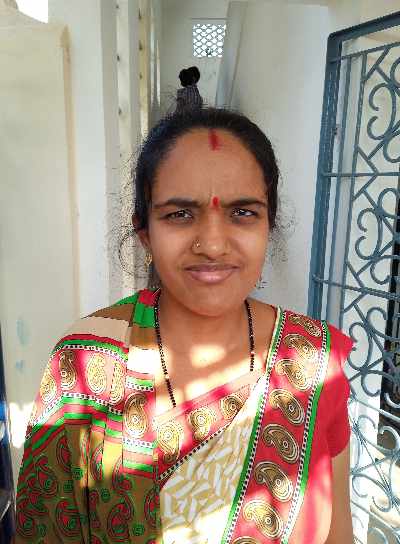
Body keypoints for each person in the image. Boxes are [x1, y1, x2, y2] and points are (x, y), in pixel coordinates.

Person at [14, 108, 354, 543]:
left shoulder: (312, 361)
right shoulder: (84, 364)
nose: (212, 244)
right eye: (179, 214)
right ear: (144, 233)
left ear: (269, 225)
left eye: (243, 212)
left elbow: (338, 532)